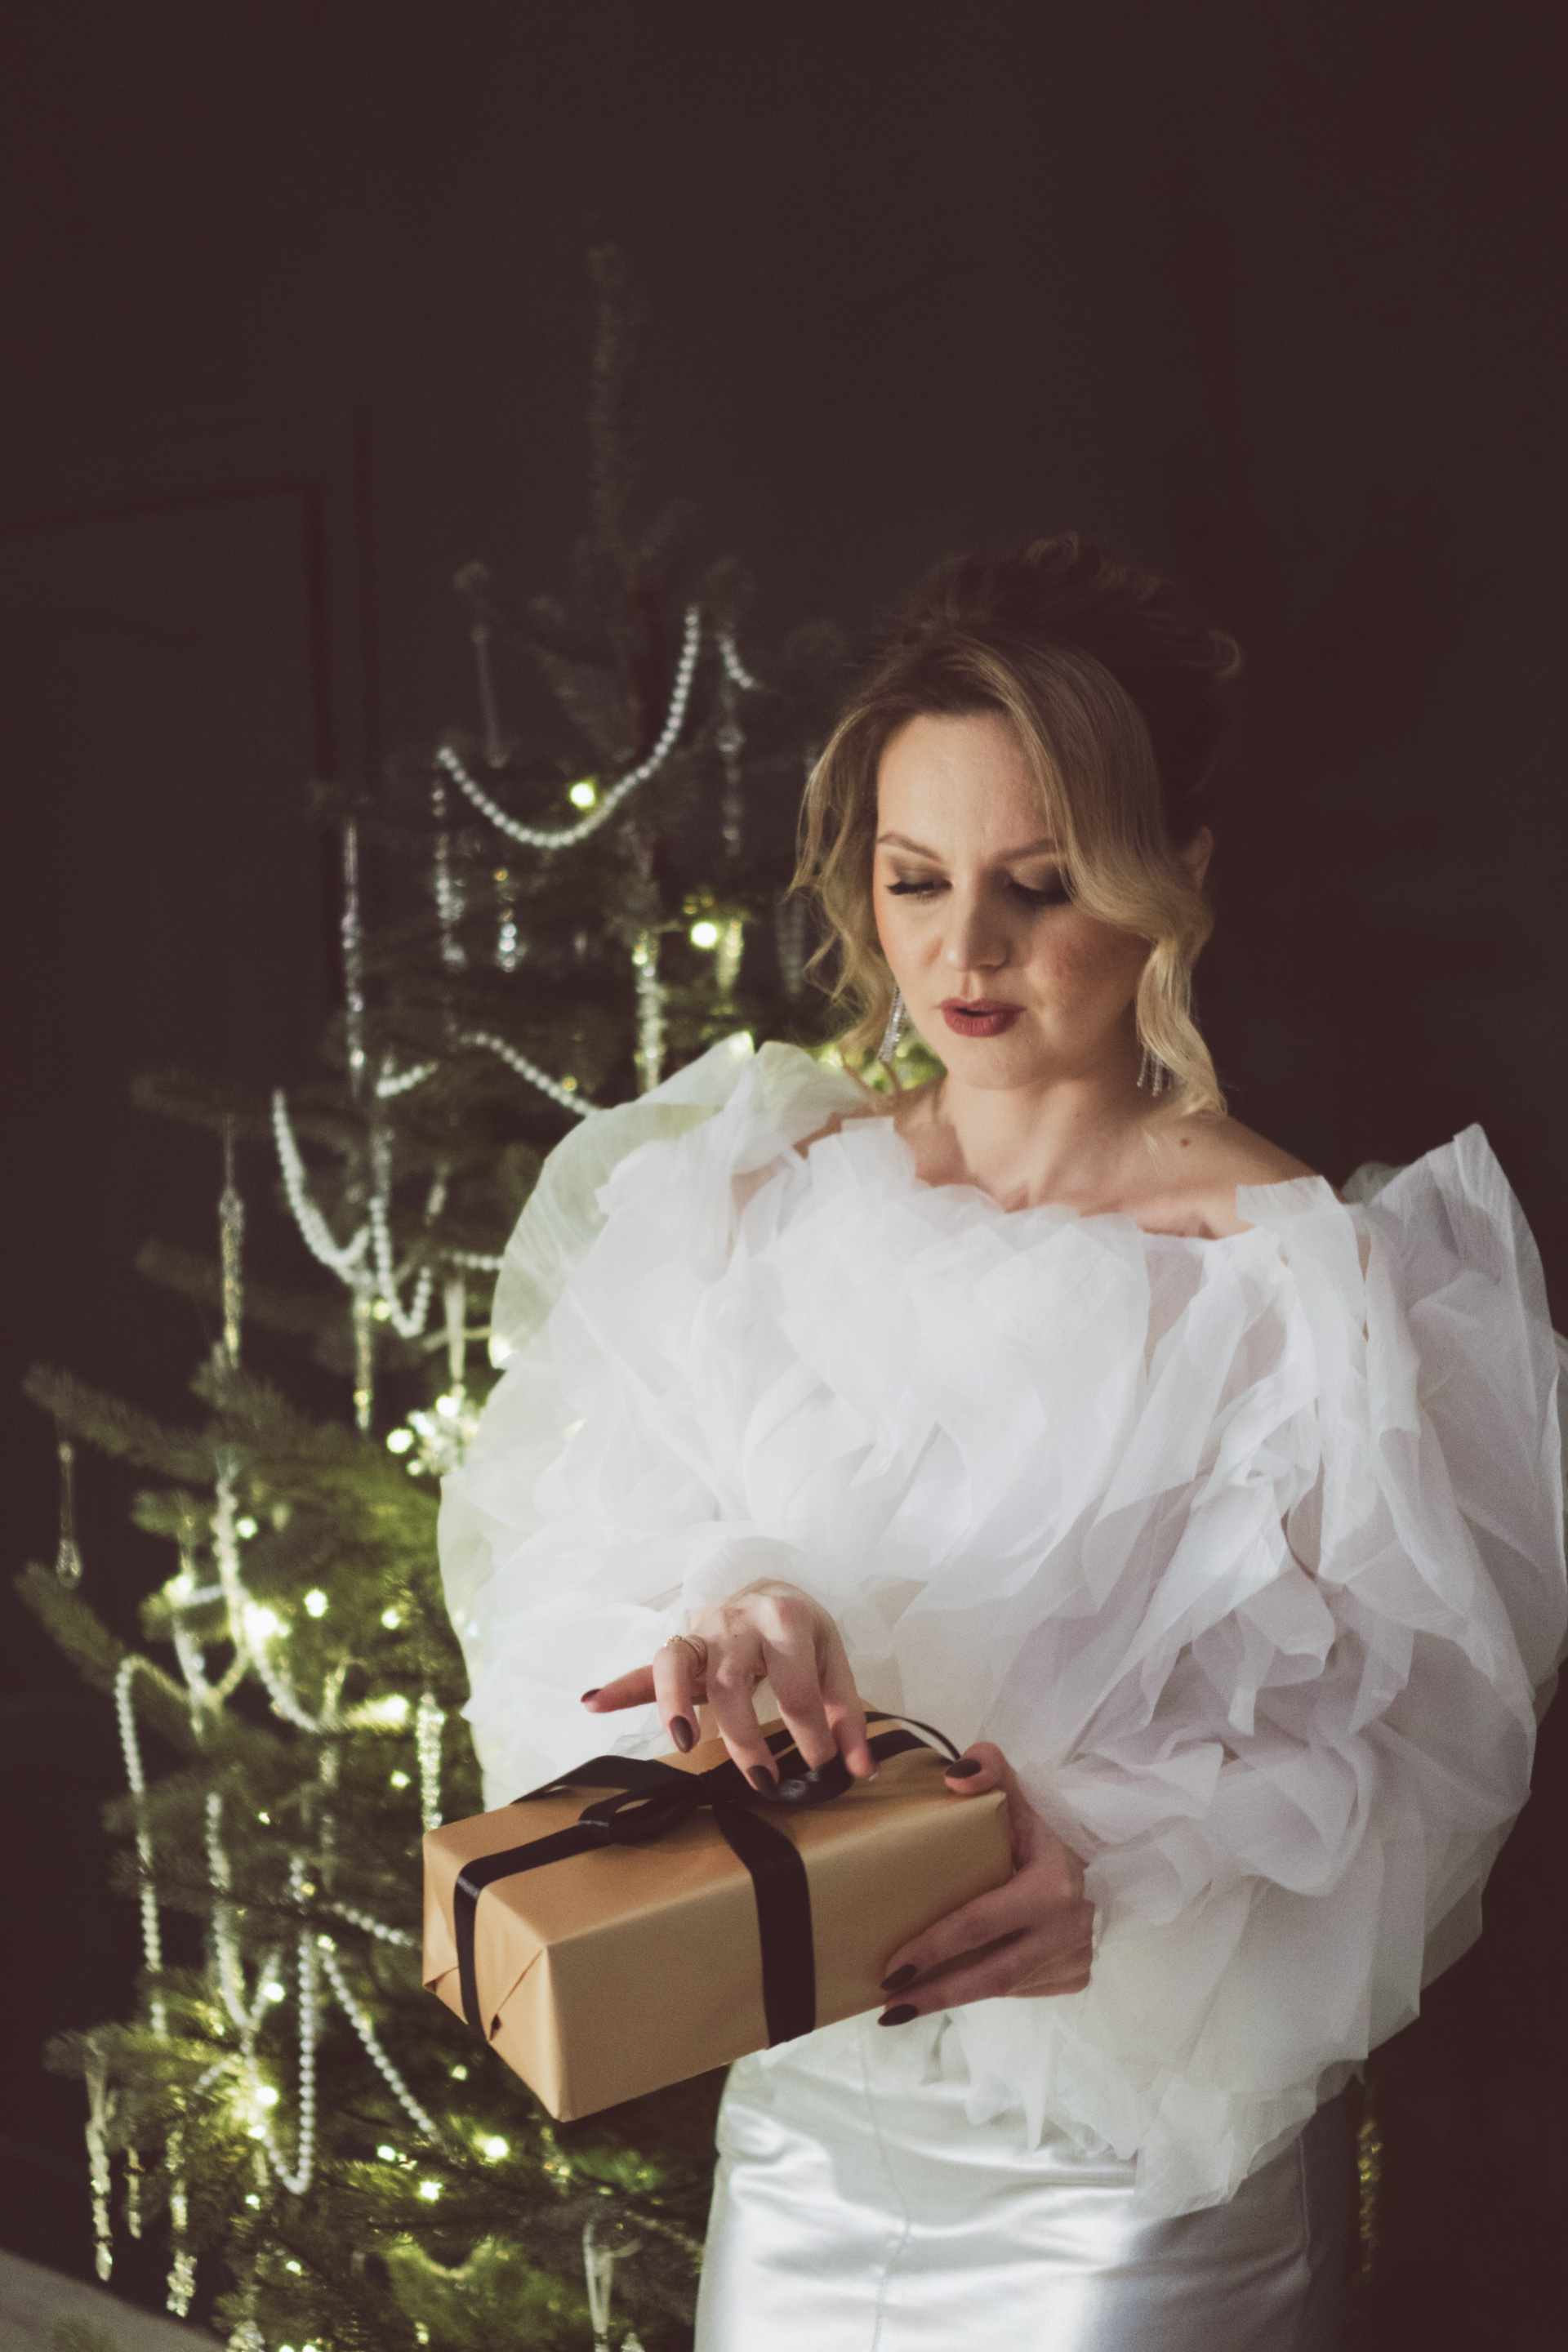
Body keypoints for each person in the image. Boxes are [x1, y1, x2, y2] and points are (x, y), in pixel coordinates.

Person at [439, 537, 1568, 2350]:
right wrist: (732, 1607)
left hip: (1128, 2157)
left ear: (1174, 879)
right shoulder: (763, 1198)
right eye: (916, 880)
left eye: (1037, 887)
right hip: (814, 2107)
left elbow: (1399, 1748)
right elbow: (567, 1571)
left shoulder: (1294, 1281)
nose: (963, 952)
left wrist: (1121, 1870)